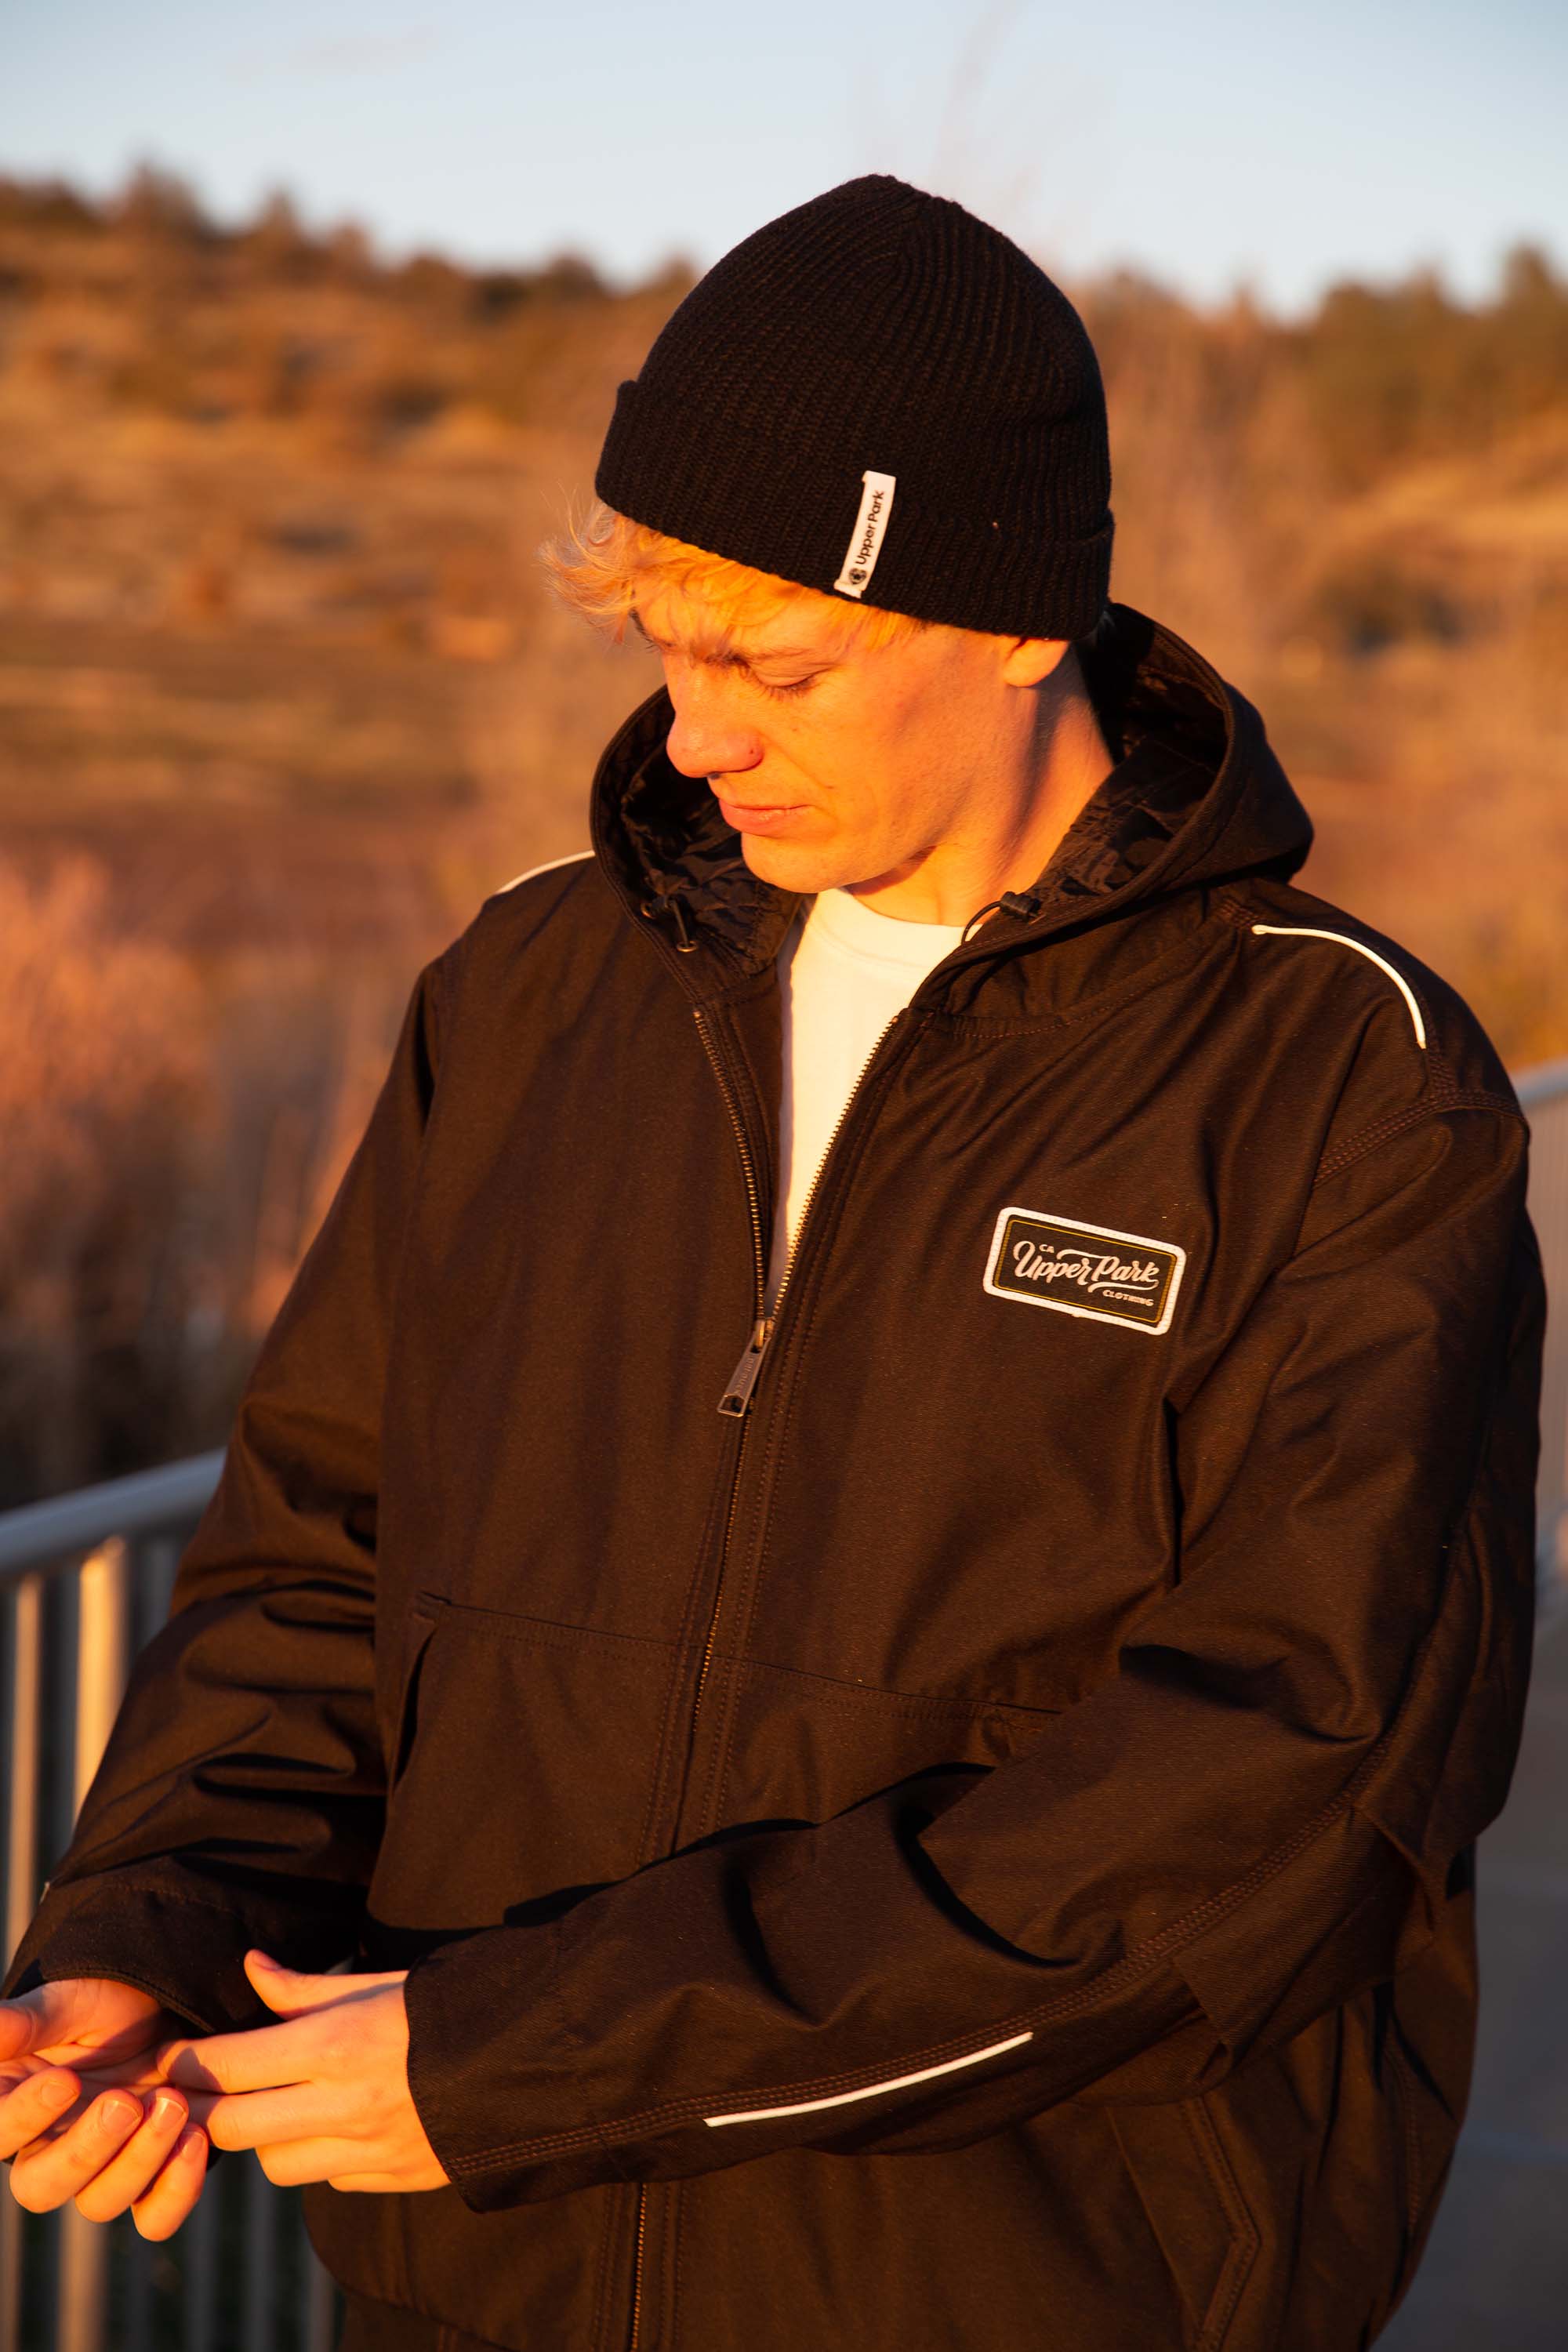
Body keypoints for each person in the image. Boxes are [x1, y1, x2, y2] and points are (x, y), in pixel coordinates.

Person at [0, 175, 1544, 2352]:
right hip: (482, 2280)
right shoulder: (535, 991)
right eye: (661, 649)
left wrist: (533, 2058)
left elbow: (1279, 1781)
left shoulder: (1335, 1083)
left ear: (1022, 624)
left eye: (776, 659)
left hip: (1025, 2289)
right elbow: (319, 1564)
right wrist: (144, 1932)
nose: (698, 734)